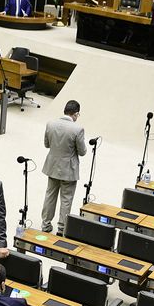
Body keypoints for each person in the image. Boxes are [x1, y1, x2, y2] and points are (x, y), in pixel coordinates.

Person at [41, 100, 87, 235]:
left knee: (50, 195)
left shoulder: (50, 124)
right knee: (66, 199)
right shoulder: (77, 129)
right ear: (76, 113)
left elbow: (46, 144)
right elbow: (82, 152)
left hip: (52, 166)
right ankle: (61, 228)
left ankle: (45, 224)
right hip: (69, 170)